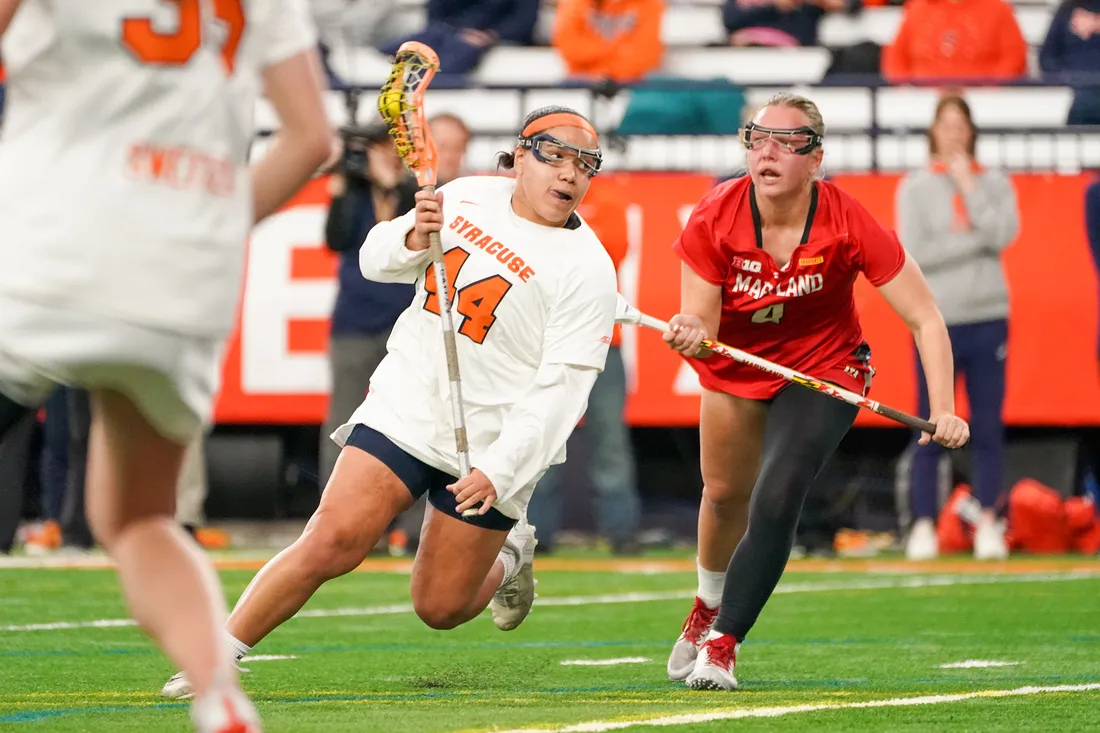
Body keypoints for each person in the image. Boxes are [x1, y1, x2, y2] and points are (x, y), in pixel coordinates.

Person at [160, 105, 619, 698]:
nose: (570, 175)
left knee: (441, 607)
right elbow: (375, 261)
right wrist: (409, 234)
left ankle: (510, 555)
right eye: (555, 156)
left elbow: (562, 392)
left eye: (585, 165)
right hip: (410, 403)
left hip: (492, 439)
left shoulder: (588, 270)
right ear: (521, 156)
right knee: (332, 538)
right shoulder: (467, 195)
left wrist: (501, 468)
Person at [0, 2, 332, 731]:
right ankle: (219, 697)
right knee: (139, 517)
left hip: (55, 240)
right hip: (185, 268)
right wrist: (200, 230)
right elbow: (312, 139)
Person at [661, 93, 970, 692]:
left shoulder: (847, 219)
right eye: (757, 138)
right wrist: (692, 334)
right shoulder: (713, 216)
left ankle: (723, 644)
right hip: (739, 365)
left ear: (817, 160)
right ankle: (706, 604)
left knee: (777, 494)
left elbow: (926, 318)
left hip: (825, 368)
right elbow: (703, 328)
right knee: (725, 496)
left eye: (787, 142)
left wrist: (944, 409)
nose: (767, 153)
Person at [897, 94, 1019, 562]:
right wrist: (972, 242)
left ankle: (989, 519)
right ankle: (924, 524)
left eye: (960, 124)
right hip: (937, 322)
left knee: (988, 425)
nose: (953, 133)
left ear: (971, 131)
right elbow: (914, 253)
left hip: (989, 315)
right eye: (944, 124)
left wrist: (970, 189)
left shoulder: (994, 182)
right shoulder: (914, 186)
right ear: (933, 129)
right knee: (929, 424)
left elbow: (1003, 234)